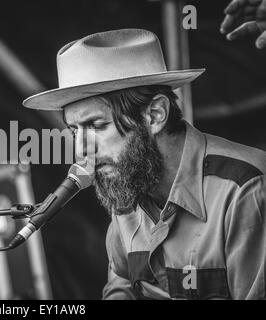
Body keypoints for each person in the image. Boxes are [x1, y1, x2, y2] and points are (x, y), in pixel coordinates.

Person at [22, 29, 266, 299]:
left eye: (97, 125)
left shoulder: (247, 189)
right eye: (74, 131)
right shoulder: (129, 180)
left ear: (155, 114)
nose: (82, 150)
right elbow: (122, 285)